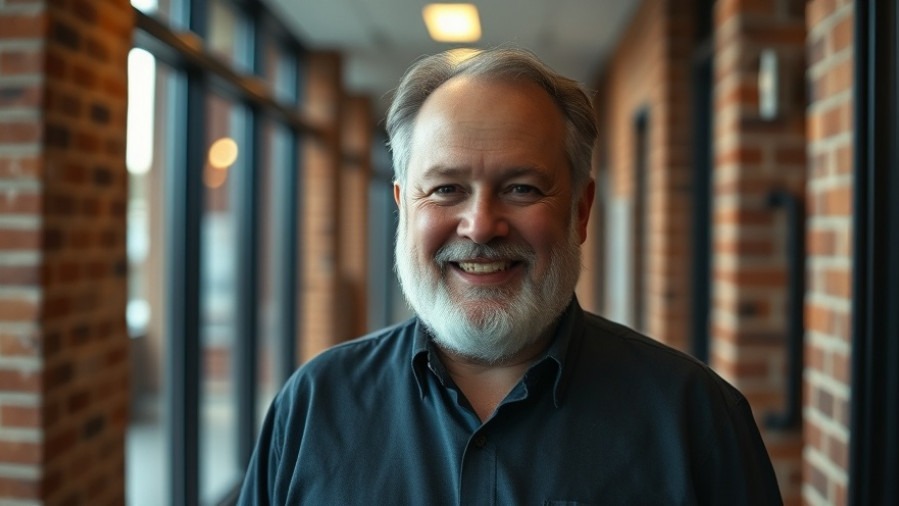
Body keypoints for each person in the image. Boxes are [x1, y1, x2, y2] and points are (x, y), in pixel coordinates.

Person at [238, 46, 782, 505]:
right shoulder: (314, 406)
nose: (480, 226)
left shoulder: (696, 420)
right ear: (404, 208)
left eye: (522, 188)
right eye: (446, 188)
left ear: (581, 211)